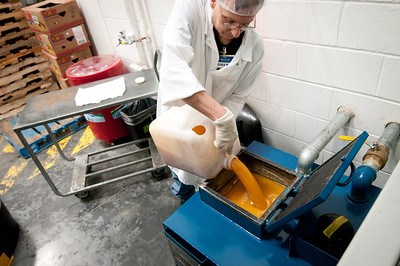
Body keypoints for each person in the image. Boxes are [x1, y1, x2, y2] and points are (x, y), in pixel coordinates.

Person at [157, 0, 265, 202]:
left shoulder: (255, 46)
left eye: (244, 25)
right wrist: (220, 116)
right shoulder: (190, 10)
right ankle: (184, 201)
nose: (235, 32)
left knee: (213, 171)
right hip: (178, 119)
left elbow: (237, 96)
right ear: (214, 2)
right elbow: (173, 70)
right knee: (184, 175)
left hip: (215, 121)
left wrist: (219, 124)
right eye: (229, 21)